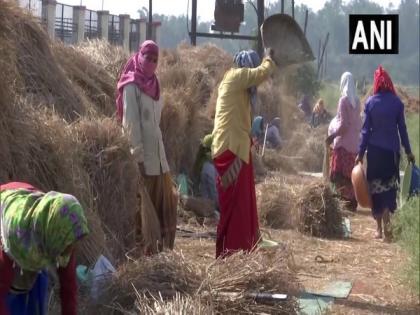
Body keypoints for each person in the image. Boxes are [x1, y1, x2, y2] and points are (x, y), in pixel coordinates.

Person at [211, 49, 276, 258]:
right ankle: (233, 254)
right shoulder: (235, 76)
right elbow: (260, 73)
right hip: (230, 150)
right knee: (236, 207)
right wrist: (268, 58)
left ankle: (240, 253)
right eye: (252, 67)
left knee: (243, 204)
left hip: (237, 149)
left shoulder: (241, 91)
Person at [116, 40, 177, 252]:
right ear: (138, 56)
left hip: (159, 160)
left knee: (165, 206)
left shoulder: (155, 84)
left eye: (154, 59)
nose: (150, 62)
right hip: (144, 162)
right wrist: (138, 158)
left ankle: (163, 252)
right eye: (147, 57)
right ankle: (145, 253)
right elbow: (130, 124)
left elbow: (155, 124)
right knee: (143, 211)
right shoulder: (131, 85)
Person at [0, 182, 89, 315]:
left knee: (37, 296)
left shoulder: (63, 231)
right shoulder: (14, 240)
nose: (70, 250)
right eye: (69, 246)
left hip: (33, 223)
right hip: (9, 217)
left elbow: (68, 285)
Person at [356, 65, 415, 241]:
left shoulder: (370, 103)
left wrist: (360, 152)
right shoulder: (397, 103)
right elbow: (402, 130)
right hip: (391, 152)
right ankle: (389, 226)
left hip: (374, 151)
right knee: (389, 186)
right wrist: (409, 151)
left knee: (375, 187)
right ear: (389, 83)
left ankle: (379, 229)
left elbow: (365, 131)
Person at [326, 72, 362, 211]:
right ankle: (352, 202)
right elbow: (356, 123)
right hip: (354, 145)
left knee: (339, 175)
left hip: (342, 145)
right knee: (350, 174)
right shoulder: (357, 101)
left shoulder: (343, 101)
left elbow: (344, 125)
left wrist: (332, 136)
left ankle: (342, 202)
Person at [192, 134, 219, 213]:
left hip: (206, 203)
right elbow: (214, 190)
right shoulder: (209, 166)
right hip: (209, 207)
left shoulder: (202, 161)